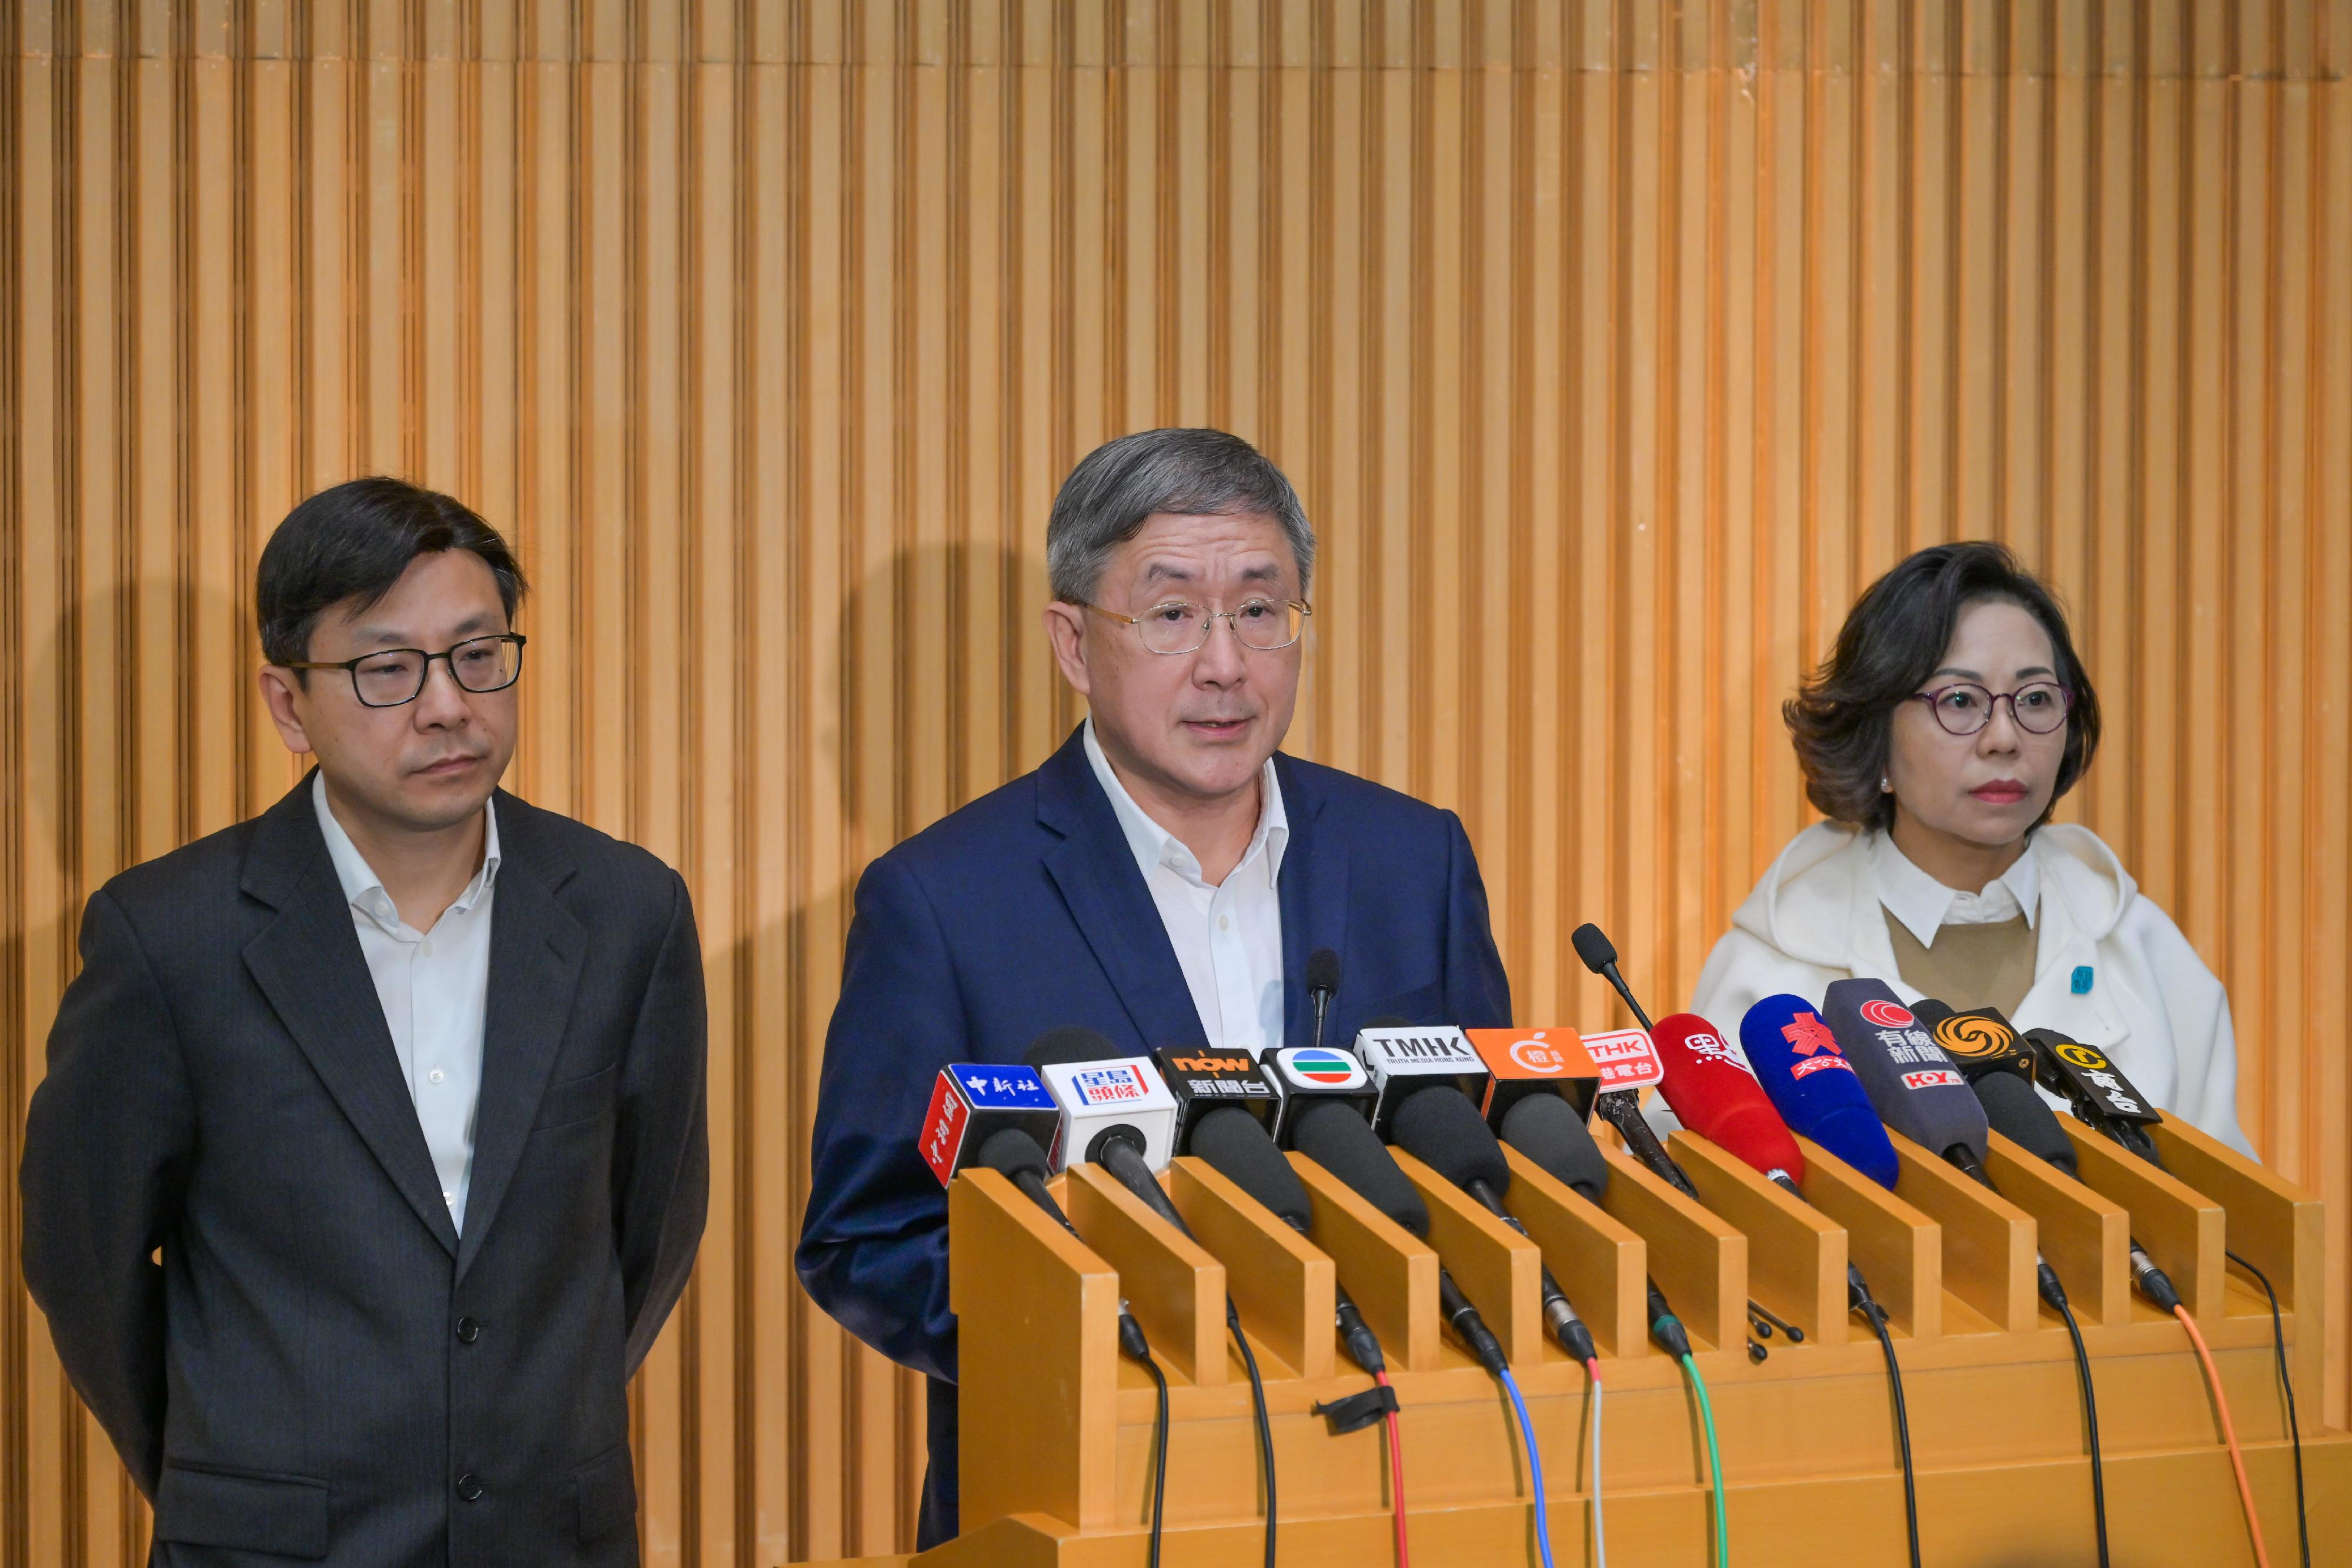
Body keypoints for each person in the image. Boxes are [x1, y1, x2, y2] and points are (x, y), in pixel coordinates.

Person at [796, 427, 1514, 1545]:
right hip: (1091, 1500)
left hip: (1395, 1490)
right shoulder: (942, 901)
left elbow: (1490, 1168)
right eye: (1172, 614)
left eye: (1261, 611)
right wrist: (1114, 1335)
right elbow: (869, 1237)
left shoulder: (1411, 862)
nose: (1226, 664)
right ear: (1076, 644)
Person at [21, 478, 710, 1566]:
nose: (447, 704)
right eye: (386, 669)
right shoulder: (169, 939)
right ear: (289, 706)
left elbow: (652, 1229)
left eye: (477, 654)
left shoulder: (629, 911)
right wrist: (228, 1468)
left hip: (552, 1536)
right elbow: (83, 1257)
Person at [1690, 540, 2253, 1155]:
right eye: (1960, 701)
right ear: (1876, 737)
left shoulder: (2142, 949)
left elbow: (2231, 1218)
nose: (2005, 738)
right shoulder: (1772, 969)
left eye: (2035, 699)